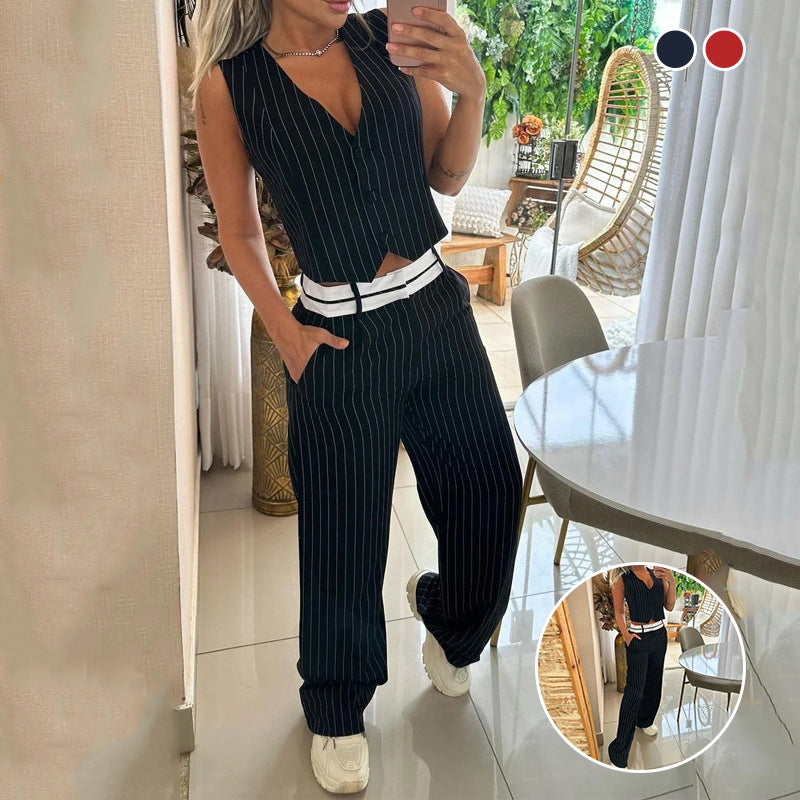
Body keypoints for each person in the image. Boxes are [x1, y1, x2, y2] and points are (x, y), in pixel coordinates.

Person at [191, 1, 523, 793]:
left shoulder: (386, 38)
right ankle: (337, 710)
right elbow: (238, 230)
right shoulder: (230, 86)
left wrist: (472, 95)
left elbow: (443, 177)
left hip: (437, 311)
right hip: (335, 335)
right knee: (344, 537)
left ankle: (451, 621)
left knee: (489, 490)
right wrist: (286, 331)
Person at [606, 565, 676, 769]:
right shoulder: (622, 577)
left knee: (654, 684)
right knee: (633, 692)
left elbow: (669, 606)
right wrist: (627, 636)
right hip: (638, 637)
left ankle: (645, 721)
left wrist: (671, 581)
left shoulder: (657, 572)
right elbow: (619, 611)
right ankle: (619, 751)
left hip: (659, 636)